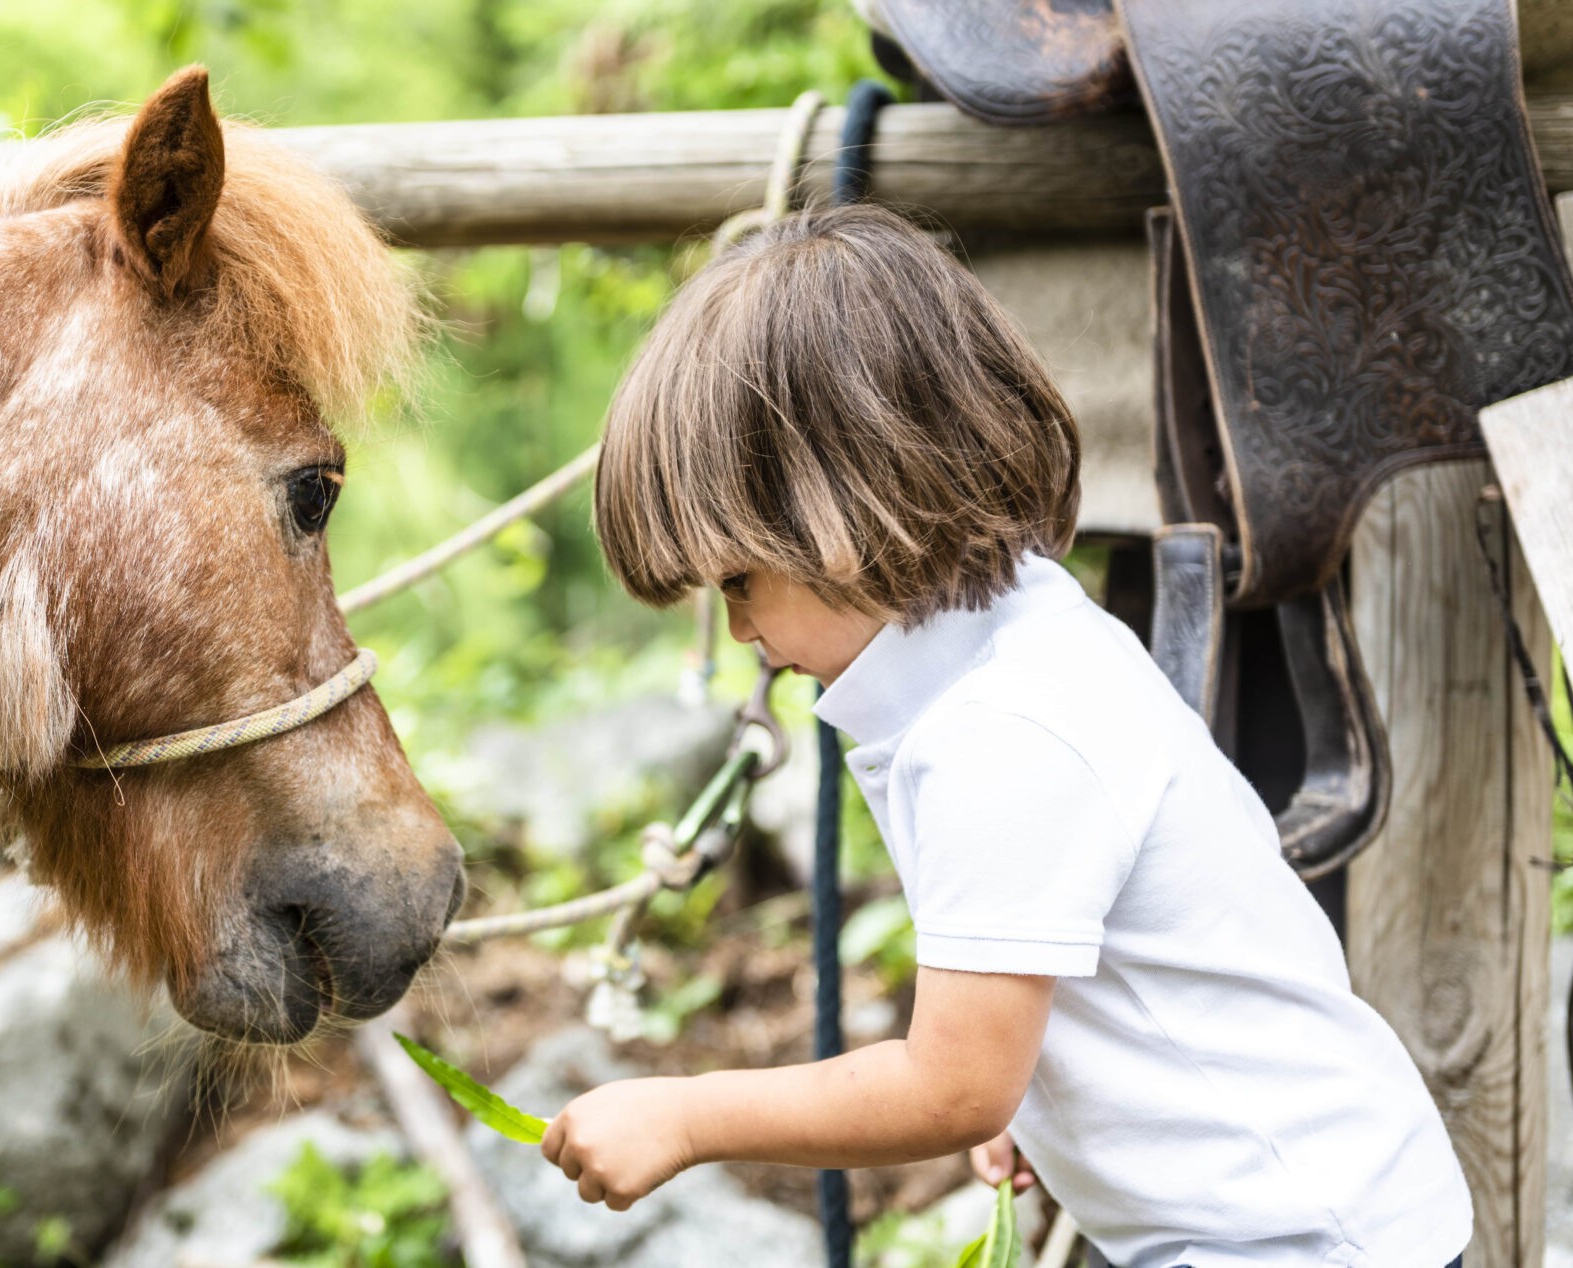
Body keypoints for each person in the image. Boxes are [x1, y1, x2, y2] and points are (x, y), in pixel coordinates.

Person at [542, 204, 1471, 1267]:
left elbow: (947, 1084)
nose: (743, 632)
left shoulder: (1004, 734)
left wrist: (689, 1115)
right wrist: (1036, 1083)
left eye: (740, 582)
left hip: (1295, 1238)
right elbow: (1041, 993)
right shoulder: (1013, 649)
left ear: (840, 517)